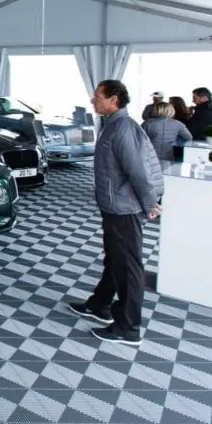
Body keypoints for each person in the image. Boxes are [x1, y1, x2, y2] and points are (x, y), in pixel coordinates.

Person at [69, 79, 163, 346]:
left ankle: (128, 328)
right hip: (115, 206)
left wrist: (149, 204)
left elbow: (138, 171)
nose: (92, 100)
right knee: (115, 259)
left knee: (128, 267)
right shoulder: (113, 125)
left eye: (97, 96)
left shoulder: (123, 129)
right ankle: (100, 304)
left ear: (114, 99)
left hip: (125, 208)